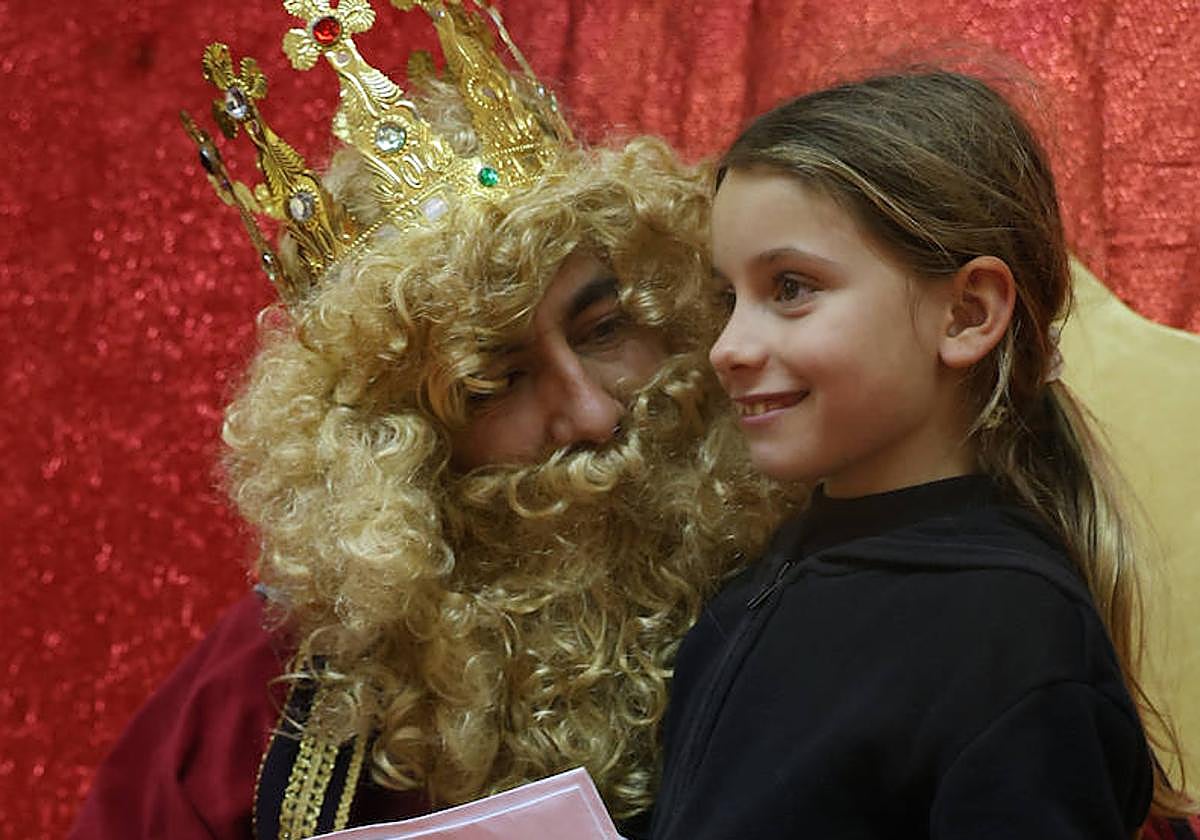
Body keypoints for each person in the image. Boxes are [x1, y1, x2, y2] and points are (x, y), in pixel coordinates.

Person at [68, 1, 785, 838]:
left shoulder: (822, 568)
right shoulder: (272, 694)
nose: (593, 416)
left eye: (605, 330)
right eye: (494, 383)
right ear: (398, 445)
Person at [649, 70, 1194, 838]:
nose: (727, 348)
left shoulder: (1010, 636)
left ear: (967, 313)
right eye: (727, 299)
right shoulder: (745, 592)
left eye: (791, 287)